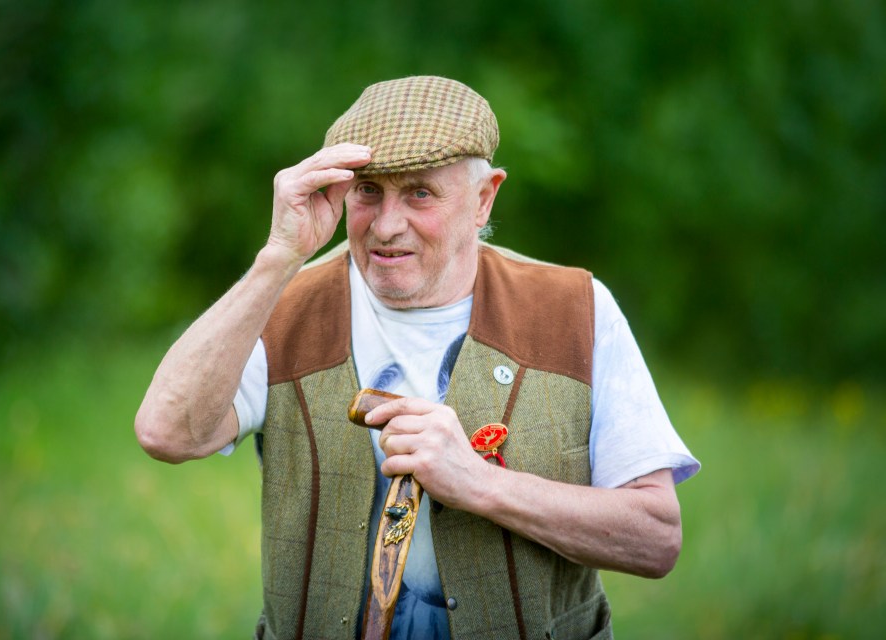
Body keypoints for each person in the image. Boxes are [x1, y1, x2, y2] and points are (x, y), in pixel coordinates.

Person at [135, 76, 699, 640]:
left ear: (484, 198)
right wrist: (278, 258)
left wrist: (479, 484)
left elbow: (654, 538)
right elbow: (167, 432)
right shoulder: (283, 305)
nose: (385, 226)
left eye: (420, 193)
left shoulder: (575, 309)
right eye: (369, 191)